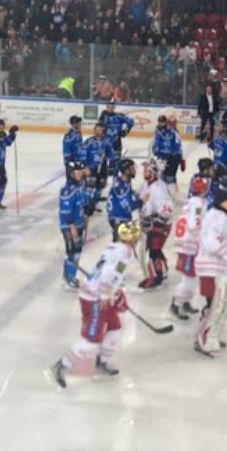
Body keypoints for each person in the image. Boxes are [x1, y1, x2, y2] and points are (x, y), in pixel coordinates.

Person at [49, 221, 142, 387]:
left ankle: (101, 362)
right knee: (91, 338)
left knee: (114, 327)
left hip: (96, 292)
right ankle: (62, 366)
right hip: (95, 297)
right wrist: (107, 294)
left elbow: (113, 276)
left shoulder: (115, 247)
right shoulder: (125, 253)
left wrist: (116, 293)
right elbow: (109, 273)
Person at [195, 189, 227, 358]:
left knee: (223, 306)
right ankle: (203, 340)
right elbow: (210, 241)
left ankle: (213, 336)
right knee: (213, 306)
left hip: (222, 267)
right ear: (219, 202)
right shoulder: (213, 216)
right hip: (209, 267)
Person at [169, 175, 208, 320]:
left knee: (191, 278)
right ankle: (176, 304)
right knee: (189, 279)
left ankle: (185, 302)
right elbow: (194, 225)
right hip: (189, 247)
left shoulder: (191, 202)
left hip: (185, 245)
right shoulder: (198, 204)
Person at [137, 162, 175, 289]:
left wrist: (153, 219)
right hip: (151, 222)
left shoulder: (158, 188)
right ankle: (163, 270)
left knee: (153, 251)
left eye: (147, 170)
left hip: (160, 225)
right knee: (155, 250)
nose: (144, 172)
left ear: (153, 172)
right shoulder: (146, 185)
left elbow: (167, 210)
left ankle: (157, 278)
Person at [58, 162, 89, 289]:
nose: (80, 174)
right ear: (71, 174)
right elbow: (65, 212)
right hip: (70, 227)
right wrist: (72, 227)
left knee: (77, 252)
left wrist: (88, 207)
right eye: (77, 172)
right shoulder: (66, 190)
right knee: (73, 252)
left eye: (80, 171)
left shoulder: (80, 186)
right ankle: (67, 278)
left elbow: (82, 202)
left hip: (79, 223)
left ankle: (71, 276)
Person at [81, 124, 116, 216]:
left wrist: (111, 166)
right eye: (98, 129)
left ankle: (93, 204)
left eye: (101, 130)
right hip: (91, 169)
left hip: (102, 169)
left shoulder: (106, 143)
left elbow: (111, 155)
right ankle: (85, 205)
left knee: (99, 188)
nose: (100, 131)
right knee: (89, 188)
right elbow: (82, 155)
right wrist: (85, 167)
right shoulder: (89, 142)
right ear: (94, 130)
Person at [107, 159, 141, 242]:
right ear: (126, 171)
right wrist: (141, 202)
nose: (134, 170)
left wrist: (132, 193)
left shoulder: (123, 181)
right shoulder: (122, 187)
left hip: (117, 217)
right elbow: (128, 207)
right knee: (120, 246)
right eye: (132, 168)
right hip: (119, 219)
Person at [149, 115, 184, 188]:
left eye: (162, 122)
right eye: (160, 122)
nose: (161, 124)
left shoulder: (173, 132)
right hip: (160, 155)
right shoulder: (157, 129)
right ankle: (160, 188)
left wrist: (180, 158)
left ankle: (171, 189)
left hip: (170, 156)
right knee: (158, 172)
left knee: (169, 175)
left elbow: (177, 145)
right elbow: (155, 142)